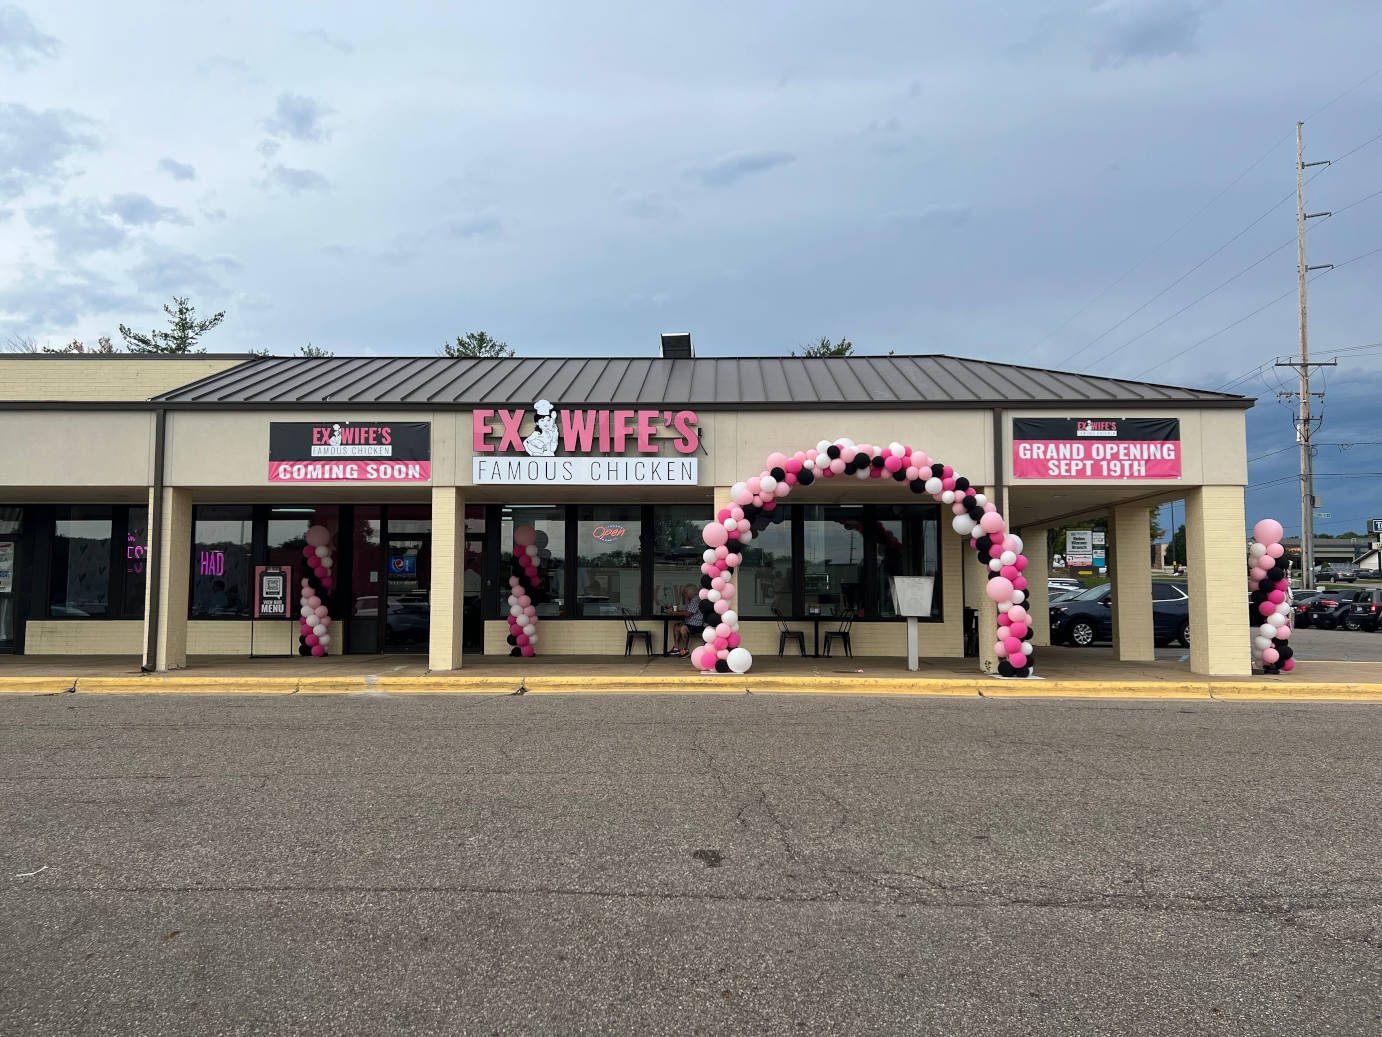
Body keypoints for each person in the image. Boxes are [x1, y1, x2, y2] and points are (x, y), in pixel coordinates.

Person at [673, 583, 701, 656]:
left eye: (685, 593)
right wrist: (677, 612)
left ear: (690, 592)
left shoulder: (696, 600)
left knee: (683, 628)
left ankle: (685, 649)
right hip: (690, 623)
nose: (684, 595)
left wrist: (674, 613)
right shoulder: (692, 600)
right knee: (676, 626)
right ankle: (676, 648)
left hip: (696, 625)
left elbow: (688, 613)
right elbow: (687, 611)